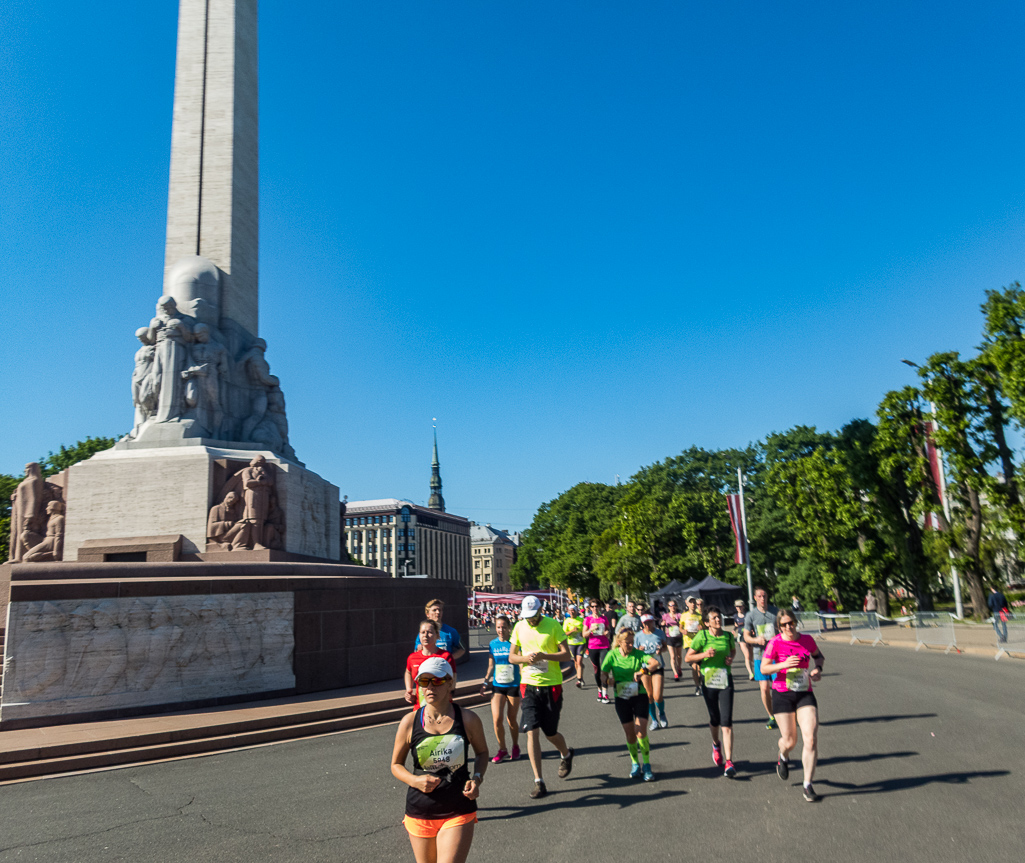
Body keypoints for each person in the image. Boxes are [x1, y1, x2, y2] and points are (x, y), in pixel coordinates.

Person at [391, 657, 489, 863]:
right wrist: (415, 780)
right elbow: (396, 765)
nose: (429, 687)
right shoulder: (409, 722)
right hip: (420, 810)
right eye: (423, 681)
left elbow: (482, 753)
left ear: (450, 683)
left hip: (458, 807)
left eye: (437, 681)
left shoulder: (468, 719)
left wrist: (477, 778)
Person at [508, 596, 575, 799]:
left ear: (540, 611)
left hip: (551, 685)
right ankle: (539, 781)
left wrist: (544, 656)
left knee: (550, 733)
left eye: (534, 616)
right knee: (531, 731)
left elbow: (566, 655)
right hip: (528, 684)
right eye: (527, 617)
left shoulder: (553, 625)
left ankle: (566, 754)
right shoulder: (519, 627)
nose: (531, 620)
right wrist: (525, 658)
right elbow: (512, 656)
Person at [761, 608, 825, 802]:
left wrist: (818, 669)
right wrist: (783, 665)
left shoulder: (807, 640)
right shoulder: (775, 643)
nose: (788, 627)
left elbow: (818, 656)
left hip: (805, 692)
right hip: (782, 694)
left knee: (811, 738)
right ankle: (783, 755)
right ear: (779, 627)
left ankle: (808, 785)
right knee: (790, 741)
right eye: (784, 625)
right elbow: (764, 667)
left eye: (791, 623)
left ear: (796, 622)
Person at [685, 606, 738, 778]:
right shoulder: (703, 636)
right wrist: (704, 654)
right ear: (707, 623)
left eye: (719, 617)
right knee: (715, 719)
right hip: (708, 681)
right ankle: (716, 744)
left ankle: (729, 761)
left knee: (726, 722)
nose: (718, 620)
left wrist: (730, 658)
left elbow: (733, 650)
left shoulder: (728, 636)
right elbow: (688, 658)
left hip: (725, 681)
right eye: (714, 618)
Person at [601, 630, 660, 781]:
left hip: (639, 695)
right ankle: (635, 764)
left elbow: (655, 663)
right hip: (621, 698)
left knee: (640, 731)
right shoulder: (612, 655)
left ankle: (646, 765)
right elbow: (603, 673)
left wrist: (643, 671)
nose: (630, 645)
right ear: (619, 642)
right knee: (630, 734)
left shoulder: (638, 654)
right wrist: (608, 681)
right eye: (627, 642)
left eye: (632, 641)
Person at [481, 615, 521, 762]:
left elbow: (521, 664)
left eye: (504, 627)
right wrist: (485, 682)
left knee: (511, 719)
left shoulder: (515, 644)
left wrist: (524, 684)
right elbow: (491, 665)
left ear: (509, 628)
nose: (501, 630)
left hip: (513, 686)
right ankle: (502, 749)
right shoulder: (493, 644)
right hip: (498, 685)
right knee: (497, 719)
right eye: (498, 627)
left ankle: (515, 746)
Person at [743, 587, 779, 729]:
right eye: (759, 596)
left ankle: (782, 713)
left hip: (776, 655)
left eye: (764, 595)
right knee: (764, 688)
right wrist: (756, 640)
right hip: (760, 656)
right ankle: (771, 716)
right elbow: (746, 636)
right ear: (755, 598)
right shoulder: (751, 615)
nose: (762, 598)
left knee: (778, 687)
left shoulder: (776, 612)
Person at [406, 620, 455, 705]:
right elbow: (408, 672)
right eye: (422, 632)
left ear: (437, 635)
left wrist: (451, 691)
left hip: (442, 706)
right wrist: (409, 690)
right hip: (420, 706)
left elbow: (453, 677)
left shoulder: (445, 656)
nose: (425, 635)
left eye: (429, 632)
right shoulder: (412, 657)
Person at [634, 615, 669, 728]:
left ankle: (662, 714)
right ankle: (654, 720)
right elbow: (634, 652)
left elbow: (665, 647)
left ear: (653, 622)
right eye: (645, 623)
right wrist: (639, 650)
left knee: (657, 696)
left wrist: (660, 650)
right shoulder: (638, 636)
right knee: (649, 696)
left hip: (657, 666)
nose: (647, 624)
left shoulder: (659, 633)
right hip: (644, 668)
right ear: (642, 624)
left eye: (650, 622)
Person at [584, 599, 614, 703]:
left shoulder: (604, 618)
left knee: (604, 669)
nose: (595, 608)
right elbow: (584, 634)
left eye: (597, 606)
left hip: (604, 646)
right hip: (593, 647)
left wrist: (607, 633)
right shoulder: (587, 619)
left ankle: (605, 693)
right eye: (593, 606)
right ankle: (599, 690)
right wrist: (590, 630)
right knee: (596, 670)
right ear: (590, 608)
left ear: (599, 607)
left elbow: (608, 630)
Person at [681, 596, 705, 696]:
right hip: (688, 643)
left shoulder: (699, 616)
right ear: (687, 604)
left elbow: (704, 628)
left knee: (700, 667)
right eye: (691, 602)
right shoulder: (684, 615)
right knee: (694, 665)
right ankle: (697, 686)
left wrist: (701, 628)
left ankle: (701, 684)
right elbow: (680, 627)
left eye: (694, 602)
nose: (693, 604)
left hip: (699, 642)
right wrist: (683, 631)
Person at [562, 606, 587, 688]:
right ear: (568, 612)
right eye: (570, 610)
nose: (572, 612)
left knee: (579, 661)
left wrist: (582, 633)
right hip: (571, 643)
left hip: (581, 643)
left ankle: (579, 679)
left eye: (573, 610)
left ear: (576, 611)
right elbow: (564, 633)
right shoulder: (567, 621)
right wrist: (572, 631)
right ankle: (581, 677)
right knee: (576, 662)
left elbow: (586, 630)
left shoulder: (581, 620)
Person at [661, 600, 684, 681]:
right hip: (669, 637)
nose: (672, 607)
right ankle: (675, 673)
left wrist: (677, 621)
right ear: (668, 607)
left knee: (679, 656)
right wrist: (663, 624)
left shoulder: (679, 615)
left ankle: (679, 667)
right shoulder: (665, 616)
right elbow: (662, 623)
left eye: (674, 605)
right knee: (673, 656)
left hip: (678, 637)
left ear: (676, 606)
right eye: (670, 605)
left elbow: (683, 624)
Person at [734, 599, 754, 678]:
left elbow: (752, 624)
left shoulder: (748, 615)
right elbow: (736, 625)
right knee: (747, 655)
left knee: (751, 656)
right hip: (741, 637)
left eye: (740, 606)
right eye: (737, 607)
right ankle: (750, 673)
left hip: (749, 636)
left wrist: (752, 630)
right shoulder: (735, 616)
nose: (738, 608)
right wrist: (733, 630)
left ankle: (754, 669)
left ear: (743, 607)